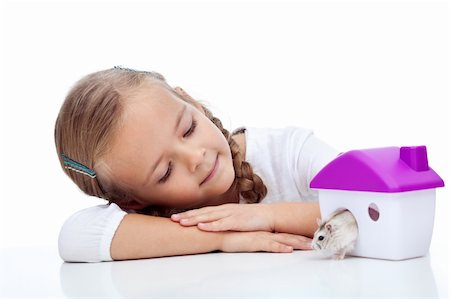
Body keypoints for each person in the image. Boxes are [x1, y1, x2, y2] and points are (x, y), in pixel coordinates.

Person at [54, 66, 339, 263]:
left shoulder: (289, 152)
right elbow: (75, 237)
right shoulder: (152, 217)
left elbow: (374, 202)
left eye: (188, 129)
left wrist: (269, 217)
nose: (196, 158)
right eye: (165, 172)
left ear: (192, 102)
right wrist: (221, 239)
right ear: (134, 201)